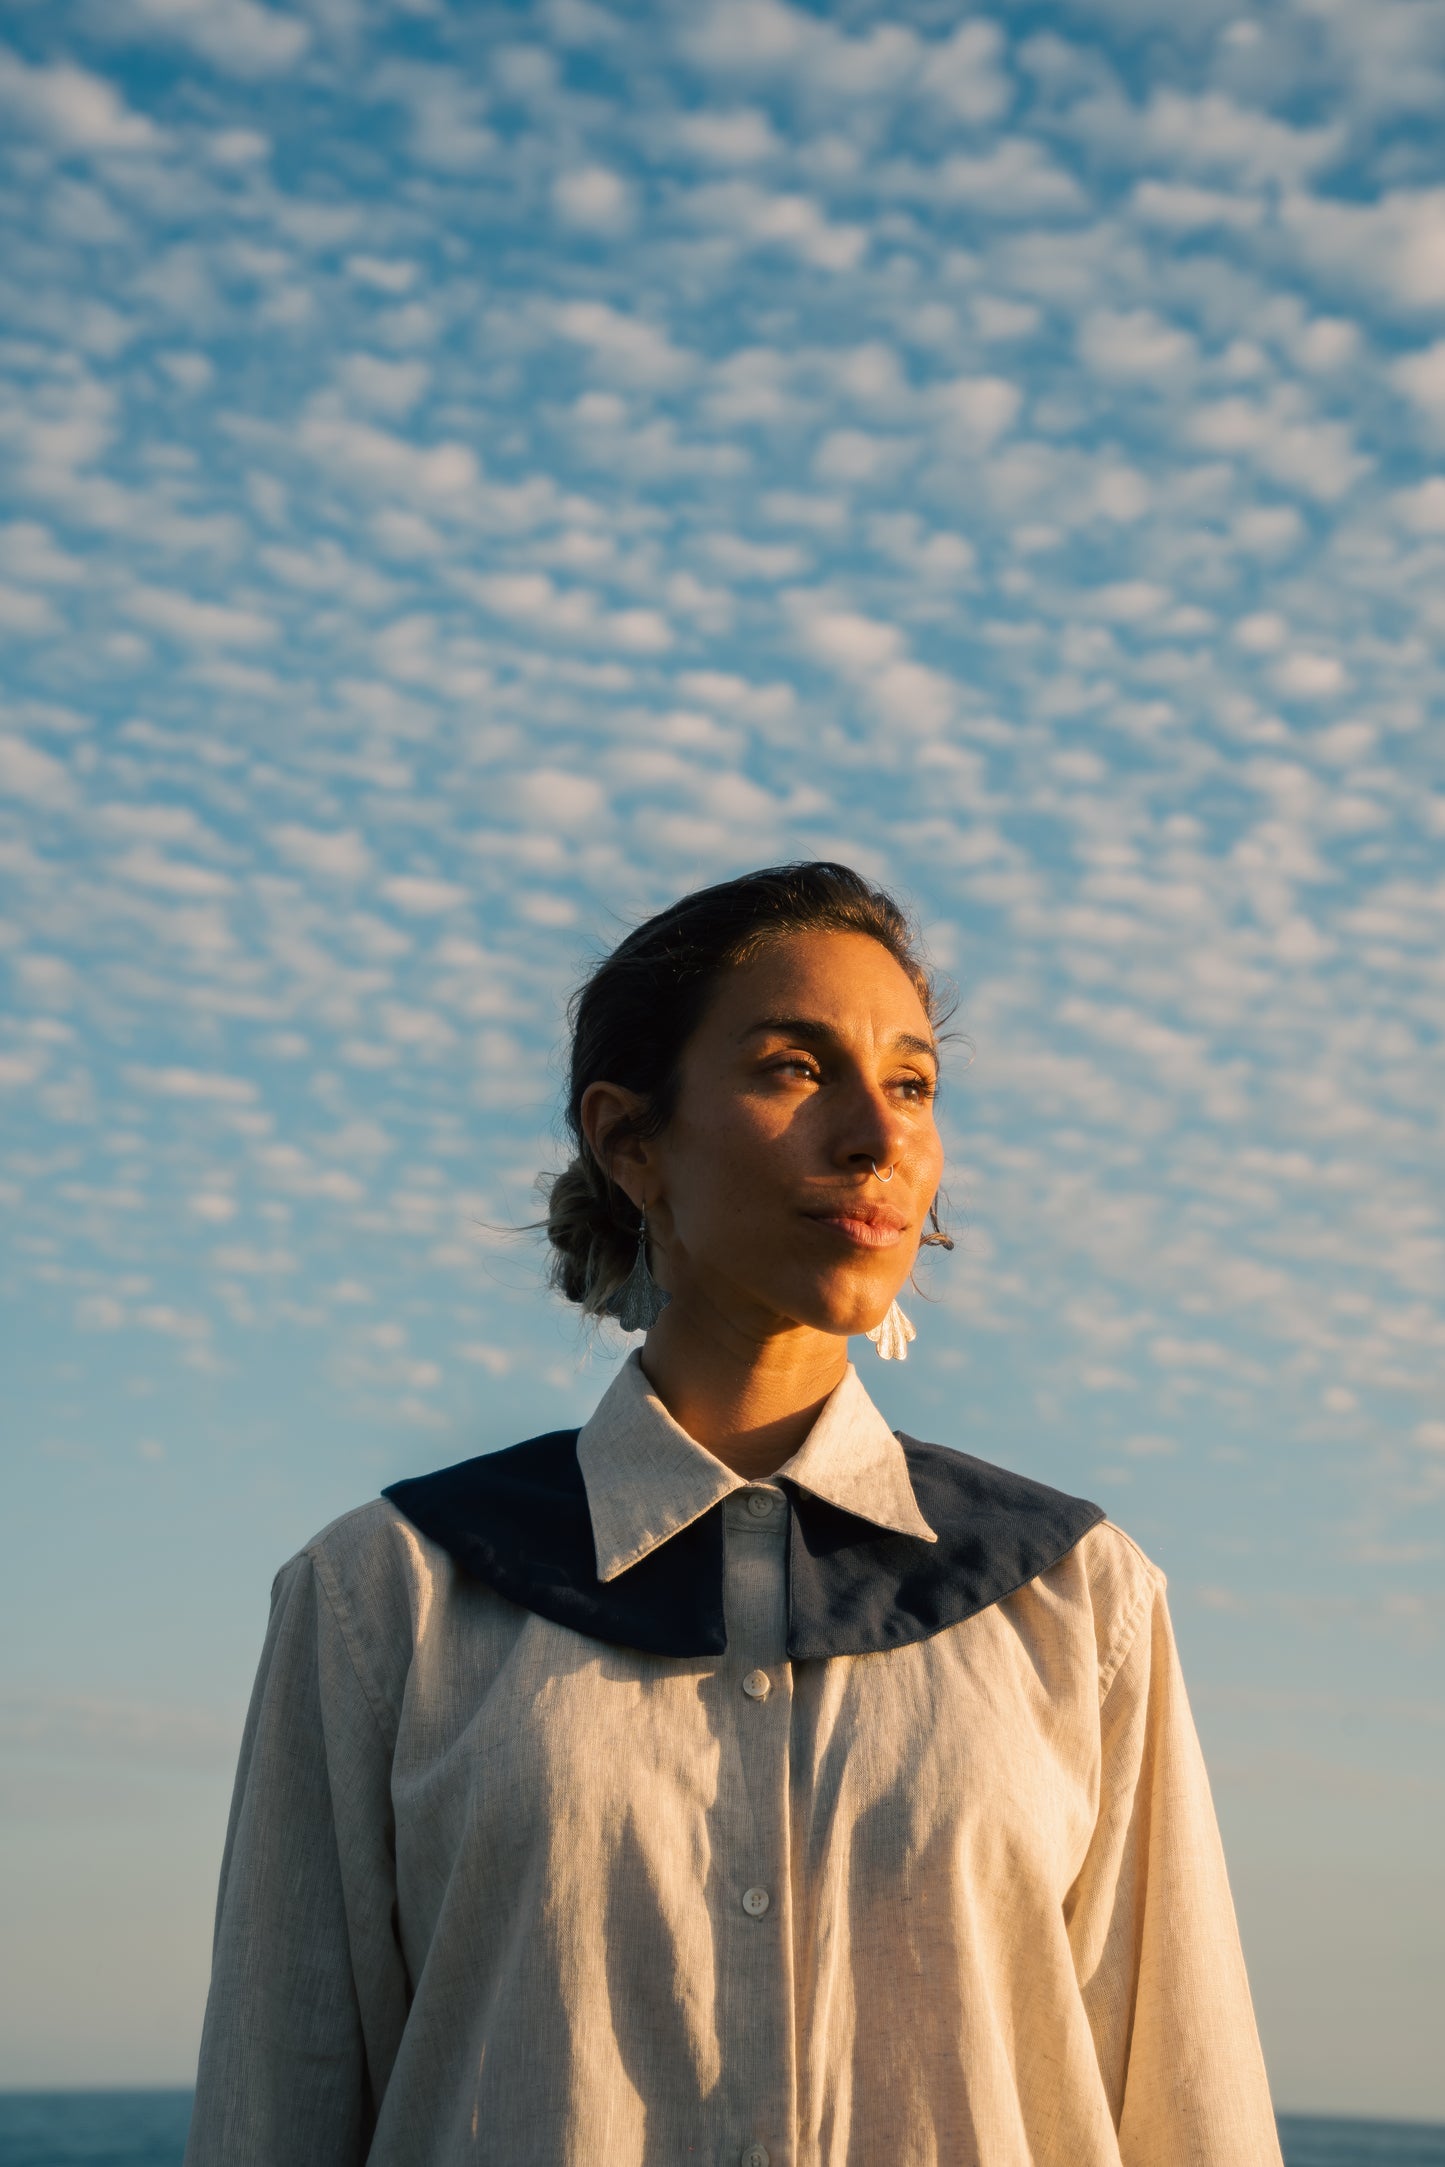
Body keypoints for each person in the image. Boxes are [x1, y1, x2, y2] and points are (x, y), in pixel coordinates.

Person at [185, 861, 1284, 2167]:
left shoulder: (1077, 1598)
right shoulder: (386, 1599)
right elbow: (277, 2099)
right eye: (794, 1068)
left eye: (913, 1084)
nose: (875, 1137)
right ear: (629, 1140)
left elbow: (1185, 2104)